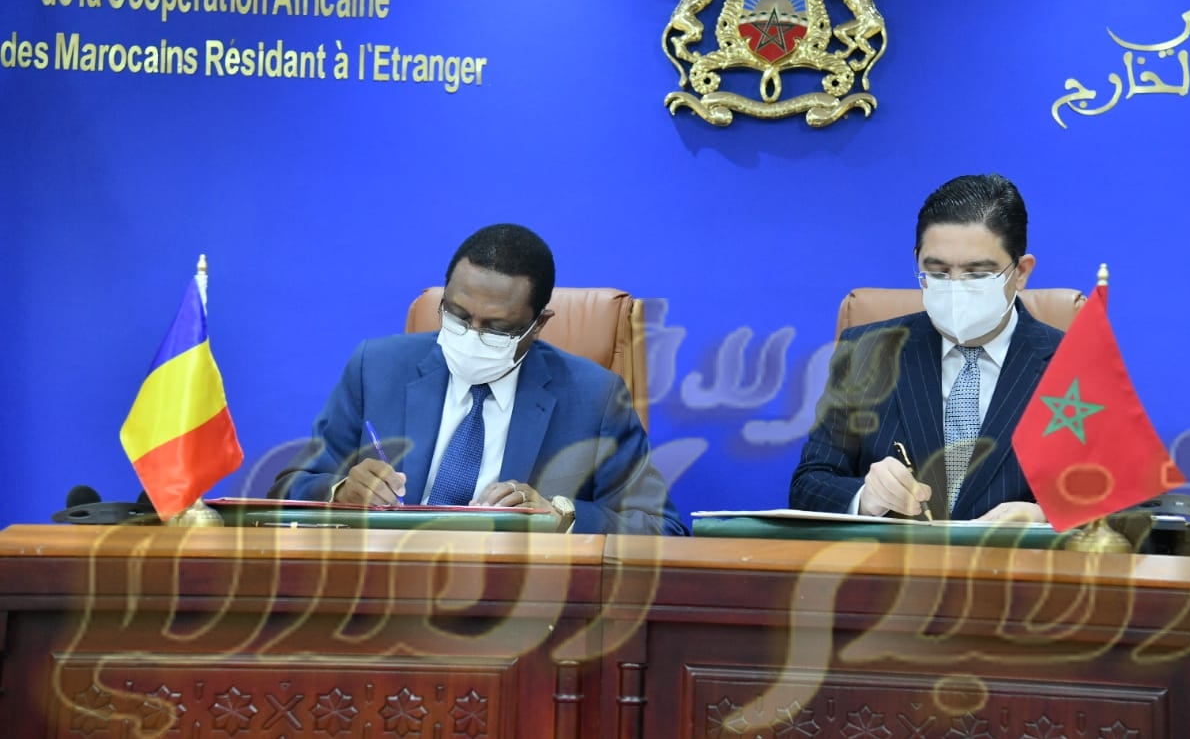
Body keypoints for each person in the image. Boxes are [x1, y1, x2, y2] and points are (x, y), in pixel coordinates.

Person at [269, 223, 687, 536]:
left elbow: (663, 527)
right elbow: (287, 492)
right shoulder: (376, 368)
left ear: (538, 325)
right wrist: (341, 492)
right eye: (457, 316)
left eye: (497, 328)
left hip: (513, 602)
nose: (471, 336)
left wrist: (561, 515)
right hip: (385, 591)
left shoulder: (595, 398)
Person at [790, 174, 1062, 522]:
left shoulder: (1072, 363)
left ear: (1021, 272)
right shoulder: (865, 353)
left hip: (1018, 556)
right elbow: (809, 485)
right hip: (893, 556)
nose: (955, 288)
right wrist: (866, 498)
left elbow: (1121, 502)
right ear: (918, 261)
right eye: (938, 272)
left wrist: (1046, 516)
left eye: (978, 274)